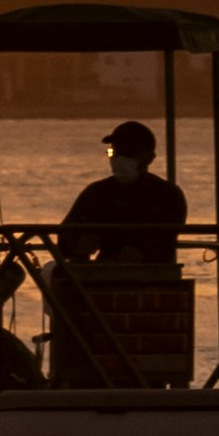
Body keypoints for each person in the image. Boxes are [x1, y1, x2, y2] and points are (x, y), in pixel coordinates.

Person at [50, 117, 192, 387]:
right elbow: (66, 238)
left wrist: (129, 256)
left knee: (146, 372)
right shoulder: (97, 193)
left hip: (151, 294)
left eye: (127, 153)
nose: (117, 160)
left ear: (148, 158)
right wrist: (79, 246)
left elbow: (158, 247)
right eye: (114, 152)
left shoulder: (166, 196)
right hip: (101, 291)